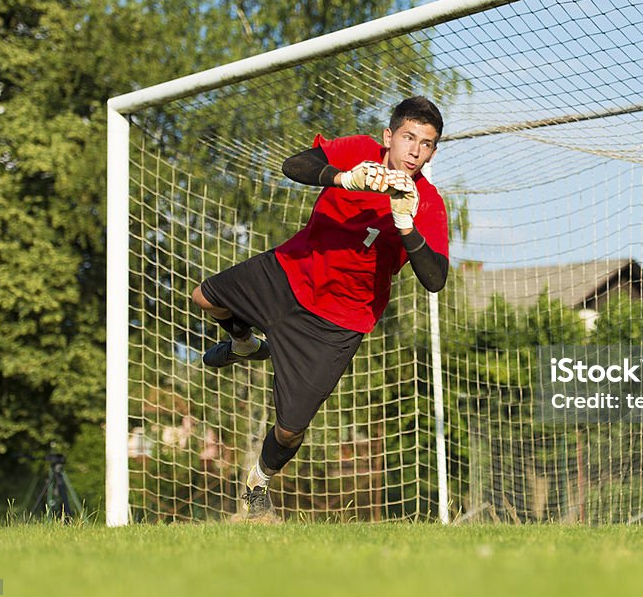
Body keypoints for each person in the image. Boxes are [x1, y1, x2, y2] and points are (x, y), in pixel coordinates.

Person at [190, 96, 449, 518]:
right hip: (289, 272)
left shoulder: (429, 204)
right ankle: (242, 343)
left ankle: (258, 483)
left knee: (290, 430)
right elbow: (294, 166)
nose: (416, 150)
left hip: (337, 322)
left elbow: (435, 279)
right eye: (408, 138)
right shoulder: (358, 152)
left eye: (427, 143)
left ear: (434, 151)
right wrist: (345, 179)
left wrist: (406, 226)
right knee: (203, 296)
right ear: (389, 137)